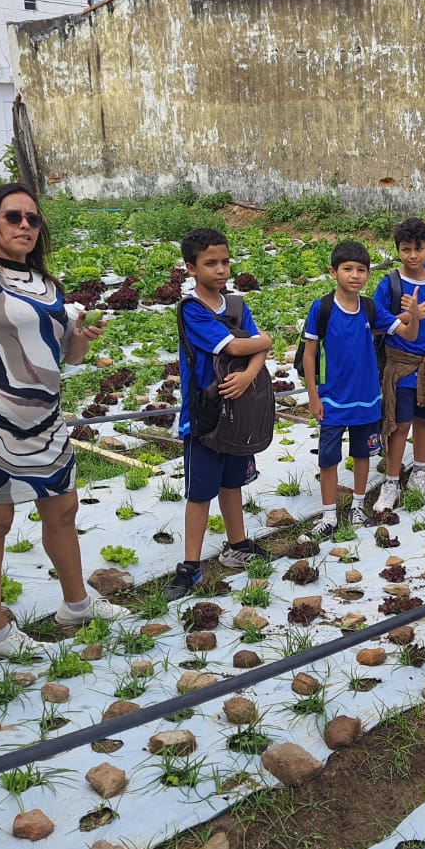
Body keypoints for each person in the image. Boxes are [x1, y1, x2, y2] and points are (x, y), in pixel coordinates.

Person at [0, 101, 130, 650]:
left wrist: (77, 341)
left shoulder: (49, 286)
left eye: (31, 218)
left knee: (64, 510)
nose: (24, 225)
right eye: (12, 217)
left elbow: (64, 360)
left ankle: (76, 605)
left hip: (45, 417)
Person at [166, 226, 274, 600]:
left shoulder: (237, 306)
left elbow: (256, 349)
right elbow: (234, 346)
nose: (221, 269)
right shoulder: (191, 311)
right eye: (210, 263)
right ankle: (191, 566)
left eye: (225, 261)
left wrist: (247, 376)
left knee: (233, 482)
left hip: (237, 410)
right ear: (190, 268)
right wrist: (261, 346)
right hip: (205, 414)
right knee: (200, 492)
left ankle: (237, 545)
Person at [299, 240, 382, 542]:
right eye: (348, 269)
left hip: (367, 398)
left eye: (361, 270)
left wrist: (413, 316)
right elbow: (309, 355)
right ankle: (329, 514)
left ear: (368, 274)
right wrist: (313, 394)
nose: (355, 275)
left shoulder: (370, 308)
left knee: (363, 452)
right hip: (331, 398)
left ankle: (358, 505)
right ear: (333, 272)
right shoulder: (321, 309)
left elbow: (403, 330)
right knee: (328, 457)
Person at [374, 217, 425, 514]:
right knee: (399, 424)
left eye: (419, 248)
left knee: (424, 421)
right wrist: (410, 317)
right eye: (406, 249)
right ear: (397, 250)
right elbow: (377, 322)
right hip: (403, 367)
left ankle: (419, 470)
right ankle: (391, 481)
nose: (413, 255)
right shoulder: (391, 284)